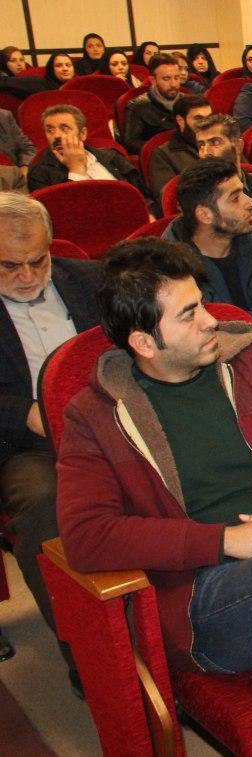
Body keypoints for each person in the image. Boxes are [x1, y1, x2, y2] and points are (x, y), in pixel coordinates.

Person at [57, 238, 252, 672]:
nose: (211, 320)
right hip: (205, 591)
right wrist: (228, 541)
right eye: (188, 314)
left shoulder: (250, 361)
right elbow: (87, 536)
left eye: (202, 303)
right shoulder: (95, 417)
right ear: (144, 342)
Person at [0, 194, 100, 665]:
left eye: (37, 261)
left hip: (111, 422)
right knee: (47, 509)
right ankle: (91, 659)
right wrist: (22, 411)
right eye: (8, 265)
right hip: (29, 446)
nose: (26, 276)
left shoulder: (92, 281)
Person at [163, 157, 252, 350]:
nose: (250, 202)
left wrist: (245, 323)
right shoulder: (173, 274)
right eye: (235, 198)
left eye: (244, 192)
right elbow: (210, 335)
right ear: (205, 215)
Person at [26, 105, 151, 208]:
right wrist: (76, 169)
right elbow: (68, 215)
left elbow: (143, 194)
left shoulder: (111, 155)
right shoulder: (40, 173)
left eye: (65, 129)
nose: (57, 135)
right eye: (50, 130)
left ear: (83, 134)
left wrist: (149, 213)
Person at [122, 53, 184, 154]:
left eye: (176, 78)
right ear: (153, 80)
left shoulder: (187, 102)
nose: (173, 84)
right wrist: (164, 149)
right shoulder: (137, 106)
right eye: (166, 79)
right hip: (157, 157)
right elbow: (131, 144)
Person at [148, 94, 211, 191]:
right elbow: (167, 196)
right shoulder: (162, 155)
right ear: (181, 121)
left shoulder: (222, 143)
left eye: (209, 118)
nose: (206, 124)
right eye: (198, 118)